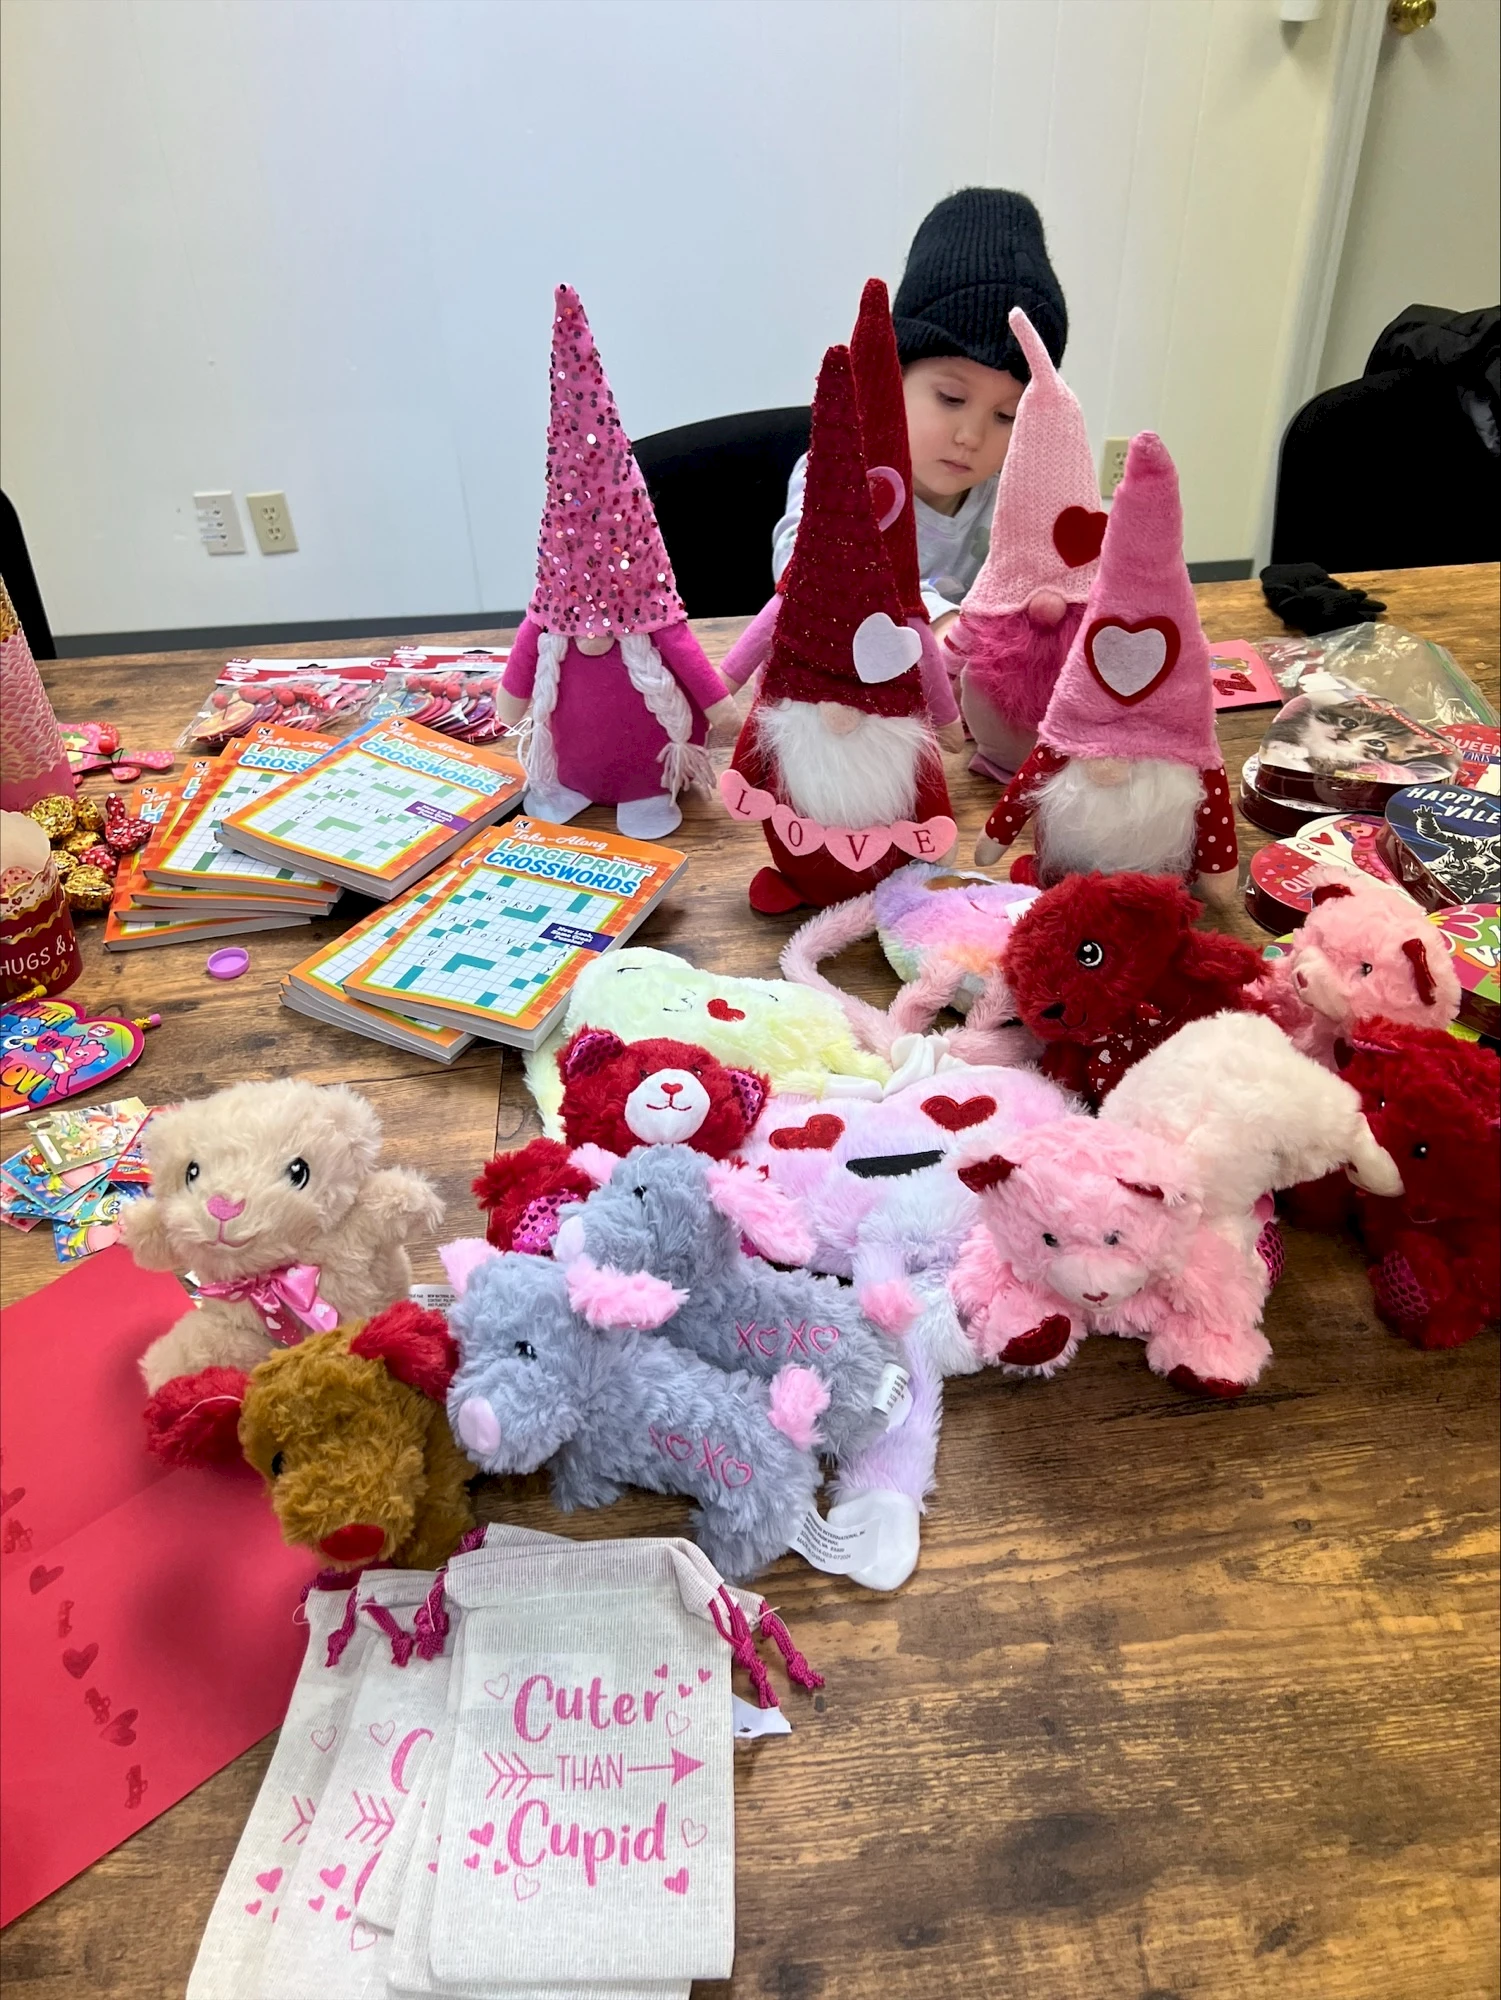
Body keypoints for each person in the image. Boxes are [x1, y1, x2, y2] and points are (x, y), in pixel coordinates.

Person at [771, 187, 1068, 641]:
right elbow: (806, 568)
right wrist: (941, 622)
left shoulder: (1010, 490)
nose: (971, 435)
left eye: (1006, 416)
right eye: (951, 398)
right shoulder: (843, 470)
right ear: (893, 377)